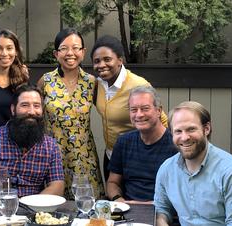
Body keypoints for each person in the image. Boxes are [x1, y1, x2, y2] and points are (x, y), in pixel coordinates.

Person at [154, 101, 232, 226]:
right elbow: (161, 209)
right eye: (178, 131)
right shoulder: (166, 169)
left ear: (206, 129)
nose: (184, 137)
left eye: (191, 129)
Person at [37, 28, 104, 199]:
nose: (70, 53)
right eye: (64, 48)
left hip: (84, 158)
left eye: (75, 48)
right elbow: (34, 115)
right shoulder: (46, 81)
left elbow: (107, 112)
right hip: (52, 157)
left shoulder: (92, 82)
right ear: (56, 54)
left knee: (87, 209)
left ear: (83, 51)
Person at [91, 35, 168, 180]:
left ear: (120, 60)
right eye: (97, 61)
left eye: (107, 59)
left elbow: (162, 121)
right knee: (114, 198)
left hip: (137, 157)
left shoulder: (138, 85)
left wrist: (156, 153)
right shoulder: (98, 85)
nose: (101, 65)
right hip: (111, 155)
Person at [0, 84, 64, 197]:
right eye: (25, 105)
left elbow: (57, 186)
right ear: (13, 109)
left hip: (34, 210)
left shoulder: (50, 146)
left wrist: (34, 207)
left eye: (37, 106)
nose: (32, 111)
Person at [106, 86, 177, 204]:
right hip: (128, 210)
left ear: (159, 111)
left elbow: (183, 191)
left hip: (164, 211)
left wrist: (149, 205)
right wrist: (119, 200)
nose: (139, 115)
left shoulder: (176, 144)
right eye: (133, 110)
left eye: (145, 109)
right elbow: (112, 182)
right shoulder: (123, 142)